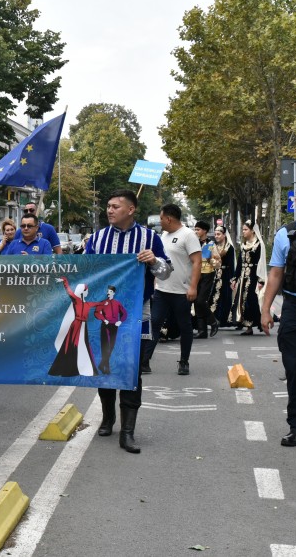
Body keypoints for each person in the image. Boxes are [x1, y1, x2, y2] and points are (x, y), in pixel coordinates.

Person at [83, 189, 170, 453]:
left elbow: (166, 273)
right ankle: (108, 417)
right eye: (108, 206)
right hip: (105, 315)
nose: (109, 210)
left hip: (135, 313)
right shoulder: (97, 239)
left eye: (115, 206)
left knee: (131, 370)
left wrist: (153, 260)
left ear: (131, 210)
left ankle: (128, 431)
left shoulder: (149, 237)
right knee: (105, 367)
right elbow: (84, 271)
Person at [143, 203, 201, 376]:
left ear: (168, 218)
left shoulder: (188, 235)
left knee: (185, 326)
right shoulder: (163, 235)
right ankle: (145, 362)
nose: (160, 222)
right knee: (154, 324)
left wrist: (193, 287)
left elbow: (197, 262)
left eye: (161, 218)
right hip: (162, 290)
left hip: (182, 291)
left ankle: (184, 362)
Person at [260, 214, 296, 447]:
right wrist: (266, 310)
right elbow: (276, 273)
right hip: (295, 308)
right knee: (295, 369)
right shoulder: (286, 234)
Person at [48, 277, 102, 377]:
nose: (87, 293)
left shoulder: (88, 304)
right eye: (86, 291)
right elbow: (69, 292)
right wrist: (65, 281)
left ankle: (84, 368)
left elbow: (99, 304)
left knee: (83, 345)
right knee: (71, 346)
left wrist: (105, 304)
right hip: (76, 325)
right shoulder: (76, 301)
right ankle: (69, 369)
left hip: (83, 327)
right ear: (83, 291)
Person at [232, 220, 267, 336]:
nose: (243, 232)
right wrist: (235, 278)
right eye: (243, 229)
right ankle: (248, 326)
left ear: (252, 230)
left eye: (245, 229)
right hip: (243, 278)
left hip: (253, 277)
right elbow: (240, 264)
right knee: (242, 301)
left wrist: (260, 280)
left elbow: (261, 263)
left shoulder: (258, 245)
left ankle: (259, 321)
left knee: (251, 301)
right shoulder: (243, 245)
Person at [193, 221, 220, 339]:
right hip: (195, 274)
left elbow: (218, 263)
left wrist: (210, 260)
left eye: (198, 229)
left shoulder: (211, 244)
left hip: (208, 274)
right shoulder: (193, 243)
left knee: (201, 301)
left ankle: (213, 321)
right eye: (195, 229)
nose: (196, 232)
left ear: (205, 231)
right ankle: (202, 330)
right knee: (196, 301)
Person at [93, 286, 128, 375]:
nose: (108, 293)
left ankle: (101, 364)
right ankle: (106, 367)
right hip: (105, 325)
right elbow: (96, 313)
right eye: (108, 291)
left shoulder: (117, 303)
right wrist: (104, 319)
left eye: (110, 291)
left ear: (113, 293)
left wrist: (120, 321)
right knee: (105, 346)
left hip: (114, 326)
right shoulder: (103, 303)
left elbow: (124, 313)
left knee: (111, 346)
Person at [213, 225, 236, 327]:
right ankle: (214, 318)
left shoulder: (229, 248)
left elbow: (231, 264)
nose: (216, 236)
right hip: (215, 274)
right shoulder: (213, 246)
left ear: (224, 235)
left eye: (218, 234)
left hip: (226, 274)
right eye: (215, 234)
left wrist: (232, 278)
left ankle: (225, 319)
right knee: (214, 295)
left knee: (225, 296)